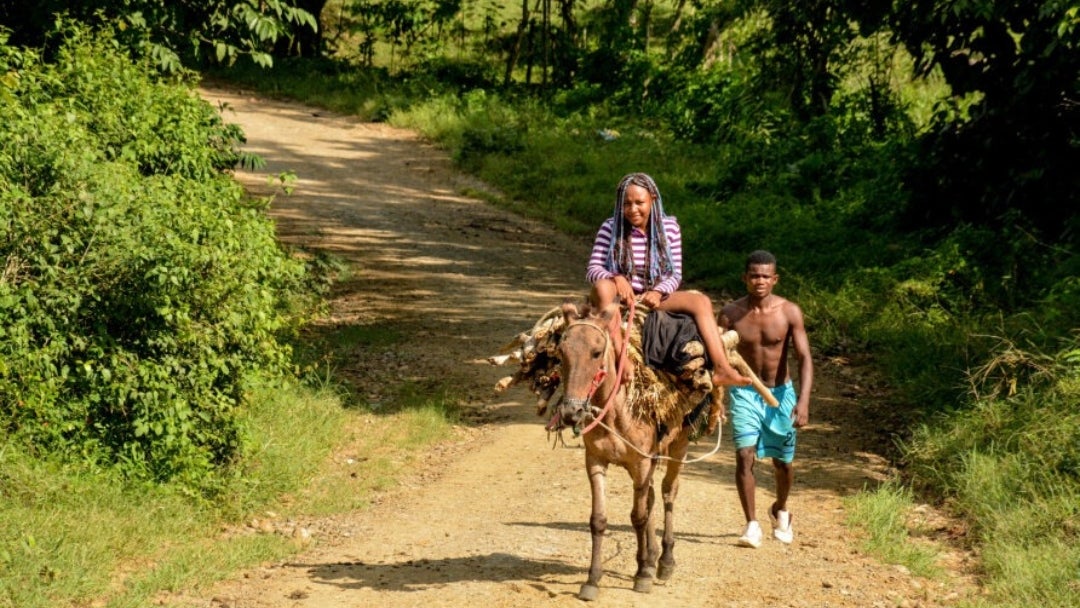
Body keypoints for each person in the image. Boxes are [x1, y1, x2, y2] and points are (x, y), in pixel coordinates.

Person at [585, 172, 750, 388]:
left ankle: (721, 368)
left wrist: (658, 292)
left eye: (639, 203)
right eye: (626, 204)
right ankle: (620, 356)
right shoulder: (610, 227)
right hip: (618, 298)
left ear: (653, 199)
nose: (632, 209)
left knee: (701, 302)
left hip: (653, 297)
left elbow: (675, 273)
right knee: (601, 286)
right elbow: (593, 269)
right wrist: (616, 278)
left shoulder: (669, 227)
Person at [719, 249, 813, 548]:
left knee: (782, 463)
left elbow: (805, 358)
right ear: (745, 278)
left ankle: (781, 509)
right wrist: (715, 397)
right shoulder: (730, 314)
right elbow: (717, 356)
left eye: (765, 276)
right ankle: (751, 525)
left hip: (782, 393)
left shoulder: (789, 312)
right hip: (745, 390)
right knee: (745, 455)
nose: (759, 281)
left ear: (775, 279)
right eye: (754, 275)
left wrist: (803, 402)